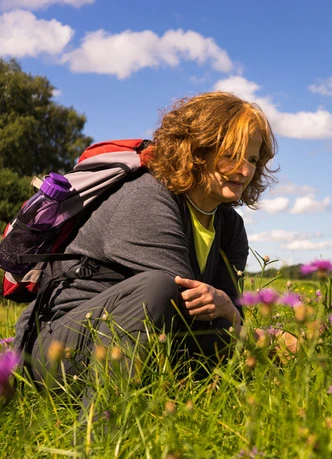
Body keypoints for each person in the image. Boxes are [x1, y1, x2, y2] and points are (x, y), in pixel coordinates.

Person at [13, 91, 278, 383]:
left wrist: (232, 313)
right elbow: (183, 305)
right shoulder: (147, 198)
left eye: (252, 159)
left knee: (229, 342)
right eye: (231, 156)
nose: (244, 170)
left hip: (139, 343)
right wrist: (270, 341)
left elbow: (228, 320)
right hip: (56, 350)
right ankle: (103, 425)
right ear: (197, 152)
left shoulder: (230, 226)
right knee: (160, 287)